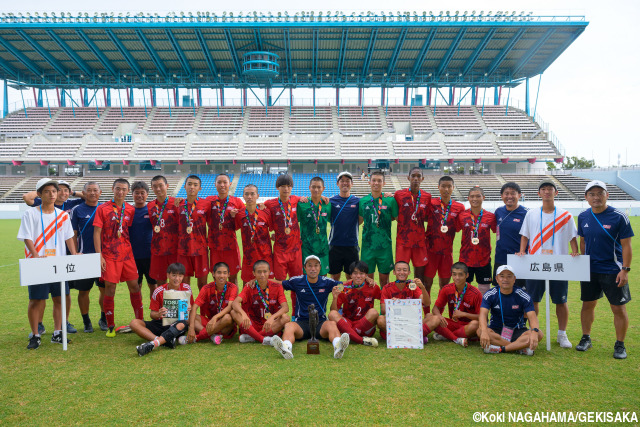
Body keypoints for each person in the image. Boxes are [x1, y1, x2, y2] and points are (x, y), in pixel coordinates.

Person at [518, 179, 578, 349]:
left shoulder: (565, 215)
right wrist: (523, 251)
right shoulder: (531, 214)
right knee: (533, 301)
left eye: (550, 189)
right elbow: (525, 235)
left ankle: (562, 334)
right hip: (536, 263)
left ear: (555, 193)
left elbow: (572, 236)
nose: (546, 192)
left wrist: (574, 251)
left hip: (559, 263)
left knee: (561, 301)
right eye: (543, 189)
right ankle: (533, 330)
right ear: (539, 193)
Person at [576, 180, 633, 359]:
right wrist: (582, 263)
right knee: (587, 305)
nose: (596, 197)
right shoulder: (583, 216)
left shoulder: (618, 216)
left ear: (607, 195)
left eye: (600, 193)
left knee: (617, 308)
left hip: (612, 270)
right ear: (586, 198)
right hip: (590, 270)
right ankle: (586, 338)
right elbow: (583, 240)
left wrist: (625, 269)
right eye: (592, 194)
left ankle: (620, 344)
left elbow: (627, 246)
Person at [19, 178, 77, 350]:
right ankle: (35, 335)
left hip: (58, 264)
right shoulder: (30, 213)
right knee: (36, 300)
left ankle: (58, 333)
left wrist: (74, 253)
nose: (52, 194)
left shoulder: (63, 215)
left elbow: (68, 237)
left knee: (59, 299)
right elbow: (27, 236)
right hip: (37, 263)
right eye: (47, 191)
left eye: (54, 191)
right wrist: (36, 255)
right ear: (39, 194)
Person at [270, 256, 350, 360]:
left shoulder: (327, 282)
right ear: (305, 268)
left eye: (316, 266)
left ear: (320, 268)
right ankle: (286, 348)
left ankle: (338, 347)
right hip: (301, 323)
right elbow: (279, 283)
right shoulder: (297, 281)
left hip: (320, 323)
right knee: (289, 326)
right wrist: (260, 280)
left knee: (332, 324)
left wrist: (364, 279)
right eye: (310, 266)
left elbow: (345, 285)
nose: (313, 269)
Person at [93, 178, 144, 337]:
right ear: (112, 189)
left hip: (127, 255)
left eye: (124, 189)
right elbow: (97, 232)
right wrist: (99, 255)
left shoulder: (130, 209)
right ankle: (110, 326)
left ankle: (140, 322)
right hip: (109, 255)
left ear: (128, 191)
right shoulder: (102, 208)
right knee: (110, 288)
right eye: (118, 189)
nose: (120, 192)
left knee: (135, 286)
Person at [131, 263, 194, 356]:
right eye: (174, 275)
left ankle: (154, 343)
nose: (177, 279)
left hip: (178, 324)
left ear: (183, 277)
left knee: (182, 323)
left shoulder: (186, 289)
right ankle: (163, 341)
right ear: (168, 275)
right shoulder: (159, 291)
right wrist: (159, 314)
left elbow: (192, 309)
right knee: (134, 323)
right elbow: (152, 314)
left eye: (180, 276)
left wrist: (189, 308)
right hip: (161, 323)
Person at [479, 265, 543, 355]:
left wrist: (534, 331)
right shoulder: (490, 294)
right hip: (496, 330)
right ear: (497, 279)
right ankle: (518, 348)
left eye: (509, 276)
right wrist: (485, 331)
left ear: (514, 279)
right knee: (480, 331)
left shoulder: (523, 295)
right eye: (502, 276)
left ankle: (501, 349)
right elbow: (483, 314)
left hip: (518, 330)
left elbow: (532, 317)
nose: (505, 279)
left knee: (539, 333)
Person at [264, 174, 303, 312]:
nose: (286, 189)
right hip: (280, 252)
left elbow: (312, 200)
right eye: (282, 186)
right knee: (278, 285)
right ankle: (277, 313)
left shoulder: (297, 199)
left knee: (297, 284)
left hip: (296, 251)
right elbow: (258, 208)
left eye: (288, 186)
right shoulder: (270, 203)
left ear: (292, 187)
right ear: (277, 188)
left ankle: (296, 313)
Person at [69, 181, 104, 333]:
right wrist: (75, 253)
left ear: (100, 192)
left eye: (95, 190)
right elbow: (73, 234)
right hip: (85, 257)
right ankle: (86, 321)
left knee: (105, 290)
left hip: (104, 257)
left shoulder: (105, 208)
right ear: (83, 193)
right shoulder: (77, 210)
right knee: (84, 291)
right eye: (88, 190)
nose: (92, 193)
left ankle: (104, 318)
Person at [231, 260, 290, 345]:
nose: (262, 275)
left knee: (285, 318)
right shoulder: (249, 286)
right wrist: (243, 314)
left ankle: (253, 337)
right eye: (259, 272)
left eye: (265, 271)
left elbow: (285, 308)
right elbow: (235, 303)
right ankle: (263, 339)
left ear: (269, 272)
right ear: (254, 273)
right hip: (252, 324)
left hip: (270, 324)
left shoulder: (277, 287)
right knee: (234, 312)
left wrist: (271, 318)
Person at [423, 262, 482, 347]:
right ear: (451, 275)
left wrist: (464, 314)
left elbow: (482, 317)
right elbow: (435, 309)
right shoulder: (447, 289)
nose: (457, 278)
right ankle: (456, 338)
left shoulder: (475, 293)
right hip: (453, 323)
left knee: (475, 324)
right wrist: (439, 316)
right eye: (454, 275)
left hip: (467, 326)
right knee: (429, 316)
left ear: (467, 275)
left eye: (460, 275)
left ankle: (446, 335)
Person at [425, 176, 465, 293]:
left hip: (447, 253)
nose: (446, 189)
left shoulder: (459, 207)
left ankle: (439, 311)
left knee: (445, 286)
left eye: (449, 186)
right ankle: (427, 311)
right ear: (438, 187)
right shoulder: (431, 203)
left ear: (453, 188)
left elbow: (459, 227)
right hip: (430, 252)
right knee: (427, 283)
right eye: (443, 186)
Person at [359, 171, 398, 287]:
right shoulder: (363, 201)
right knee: (368, 283)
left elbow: (397, 218)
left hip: (385, 248)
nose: (376, 183)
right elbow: (359, 221)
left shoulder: (390, 200)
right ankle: (369, 305)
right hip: (367, 248)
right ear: (369, 182)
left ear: (384, 183)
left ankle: (383, 305)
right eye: (374, 180)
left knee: (384, 283)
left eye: (379, 180)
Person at [394, 167, 431, 287]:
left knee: (419, 276)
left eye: (418, 176)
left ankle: (417, 302)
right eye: (413, 176)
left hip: (419, 242)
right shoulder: (399, 195)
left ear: (422, 179)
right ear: (408, 177)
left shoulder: (427, 196)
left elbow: (427, 216)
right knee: (400, 275)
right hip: (403, 242)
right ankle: (400, 300)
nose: (416, 178)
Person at [328, 261, 380, 347]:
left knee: (374, 312)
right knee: (332, 314)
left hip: (363, 325)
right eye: (355, 273)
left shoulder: (372, 286)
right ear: (351, 275)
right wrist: (335, 298)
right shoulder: (343, 287)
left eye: (362, 273)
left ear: (366, 275)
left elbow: (384, 300)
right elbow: (334, 311)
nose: (358, 276)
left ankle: (348, 333)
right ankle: (361, 340)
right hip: (348, 322)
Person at [185, 262, 237, 345]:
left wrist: (215, 318)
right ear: (213, 274)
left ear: (229, 274)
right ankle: (213, 336)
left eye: (224, 273)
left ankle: (199, 337)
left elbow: (230, 306)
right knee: (188, 316)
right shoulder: (206, 288)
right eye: (219, 273)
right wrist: (191, 328)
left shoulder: (233, 287)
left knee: (228, 318)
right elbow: (194, 307)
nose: (222, 276)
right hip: (210, 322)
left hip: (225, 325)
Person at [456, 187, 496, 294]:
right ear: (468, 198)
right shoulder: (462, 215)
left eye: (478, 196)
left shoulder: (491, 217)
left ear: (483, 197)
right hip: (465, 259)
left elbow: (497, 233)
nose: (475, 199)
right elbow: (454, 230)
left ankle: (482, 311)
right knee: (464, 289)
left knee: (484, 290)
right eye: (472, 196)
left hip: (484, 259)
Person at [377, 261, 430, 341]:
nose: (402, 272)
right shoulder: (387, 287)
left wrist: (422, 287)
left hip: (410, 321)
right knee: (380, 319)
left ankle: (402, 337)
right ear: (394, 272)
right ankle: (412, 336)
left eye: (405, 270)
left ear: (409, 272)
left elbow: (427, 303)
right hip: (394, 322)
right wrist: (392, 304)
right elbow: (383, 310)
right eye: (399, 270)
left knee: (432, 317)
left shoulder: (412, 286)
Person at [207, 173, 244, 284]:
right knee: (217, 278)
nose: (222, 185)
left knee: (233, 278)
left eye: (225, 182)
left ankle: (233, 301)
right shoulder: (209, 201)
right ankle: (219, 301)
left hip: (231, 247)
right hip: (214, 247)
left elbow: (246, 220)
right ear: (215, 184)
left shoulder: (237, 202)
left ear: (230, 184)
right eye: (219, 182)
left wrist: (235, 217)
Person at [235, 184, 275, 284]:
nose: (249, 197)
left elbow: (274, 230)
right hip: (248, 259)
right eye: (246, 194)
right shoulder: (239, 214)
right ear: (243, 196)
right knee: (247, 288)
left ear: (257, 196)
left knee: (267, 288)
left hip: (265, 257)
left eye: (252, 194)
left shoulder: (266, 212)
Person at [177, 175, 211, 290]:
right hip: (183, 250)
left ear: (200, 188)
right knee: (185, 285)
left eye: (195, 185)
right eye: (189, 184)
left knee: (202, 285)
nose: (192, 187)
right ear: (185, 186)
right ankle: (186, 308)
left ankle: (203, 308)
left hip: (201, 250)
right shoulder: (178, 204)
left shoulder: (206, 204)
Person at [493, 182, 528, 289]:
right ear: (501, 196)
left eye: (513, 193)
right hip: (500, 257)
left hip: (519, 258)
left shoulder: (526, 213)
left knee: (519, 292)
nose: (509, 196)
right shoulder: (498, 211)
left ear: (519, 195)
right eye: (506, 193)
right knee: (499, 291)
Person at [148, 175, 180, 286]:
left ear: (167, 186)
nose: (158, 189)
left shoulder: (176, 203)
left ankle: (177, 303)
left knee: (176, 282)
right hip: (158, 251)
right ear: (151, 188)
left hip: (174, 251)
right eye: (155, 186)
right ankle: (162, 303)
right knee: (161, 282)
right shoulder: (150, 206)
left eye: (160, 185)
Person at [328, 171, 361, 281]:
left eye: (348, 181)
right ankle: (336, 298)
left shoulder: (357, 201)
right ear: (338, 184)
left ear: (352, 184)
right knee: (334, 277)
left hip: (351, 246)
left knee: (351, 277)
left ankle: (348, 298)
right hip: (334, 245)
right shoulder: (330, 201)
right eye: (342, 181)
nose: (345, 183)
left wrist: (386, 194)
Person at [297, 177, 332, 276]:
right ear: (309, 188)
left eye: (318, 187)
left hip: (322, 247)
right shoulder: (302, 204)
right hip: (306, 247)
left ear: (323, 188)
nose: (316, 189)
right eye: (313, 187)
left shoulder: (328, 204)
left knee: (323, 276)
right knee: (306, 275)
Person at [129, 181, 157, 301]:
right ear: (132, 194)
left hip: (150, 255)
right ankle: (138, 315)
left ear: (147, 194)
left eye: (142, 193)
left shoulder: (152, 210)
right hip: (132, 256)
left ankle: (155, 312)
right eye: (136, 193)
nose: (139, 195)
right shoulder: (128, 211)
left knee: (153, 285)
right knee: (136, 286)